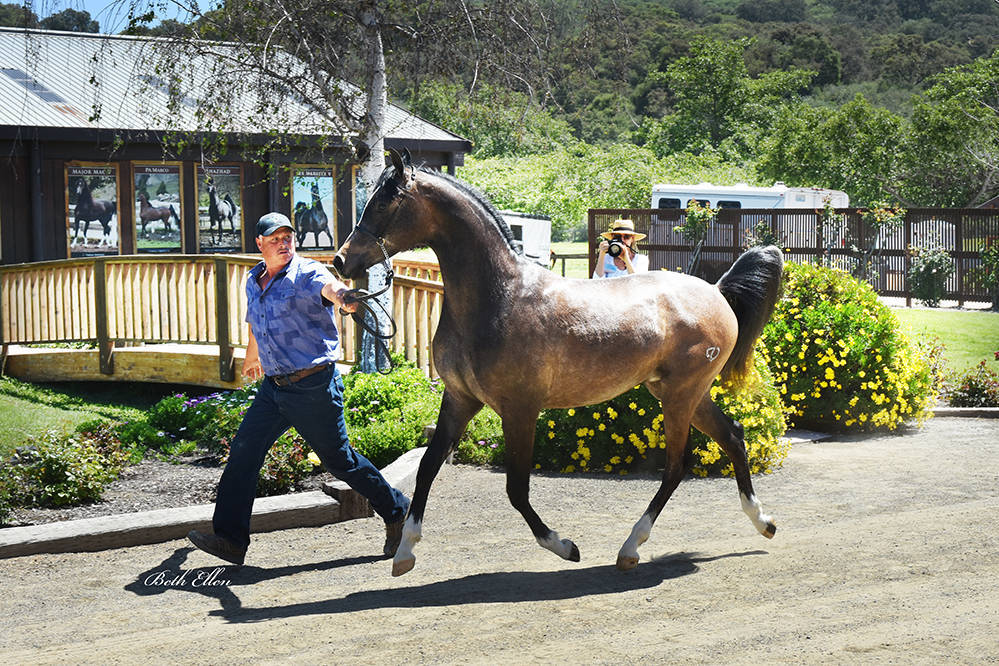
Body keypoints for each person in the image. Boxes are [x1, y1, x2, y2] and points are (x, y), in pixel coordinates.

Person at [187, 212, 410, 566]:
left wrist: (344, 297)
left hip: (312, 387)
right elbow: (255, 322)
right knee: (243, 453)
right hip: (274, 388)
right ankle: (230, 540)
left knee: (341, 462)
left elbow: (330, 288)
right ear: (259, 244)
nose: (283, 243)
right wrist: (252, 356)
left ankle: (397, 510)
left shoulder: (307, 272)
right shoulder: (253, 280)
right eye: (274, 239)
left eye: (288, 237)